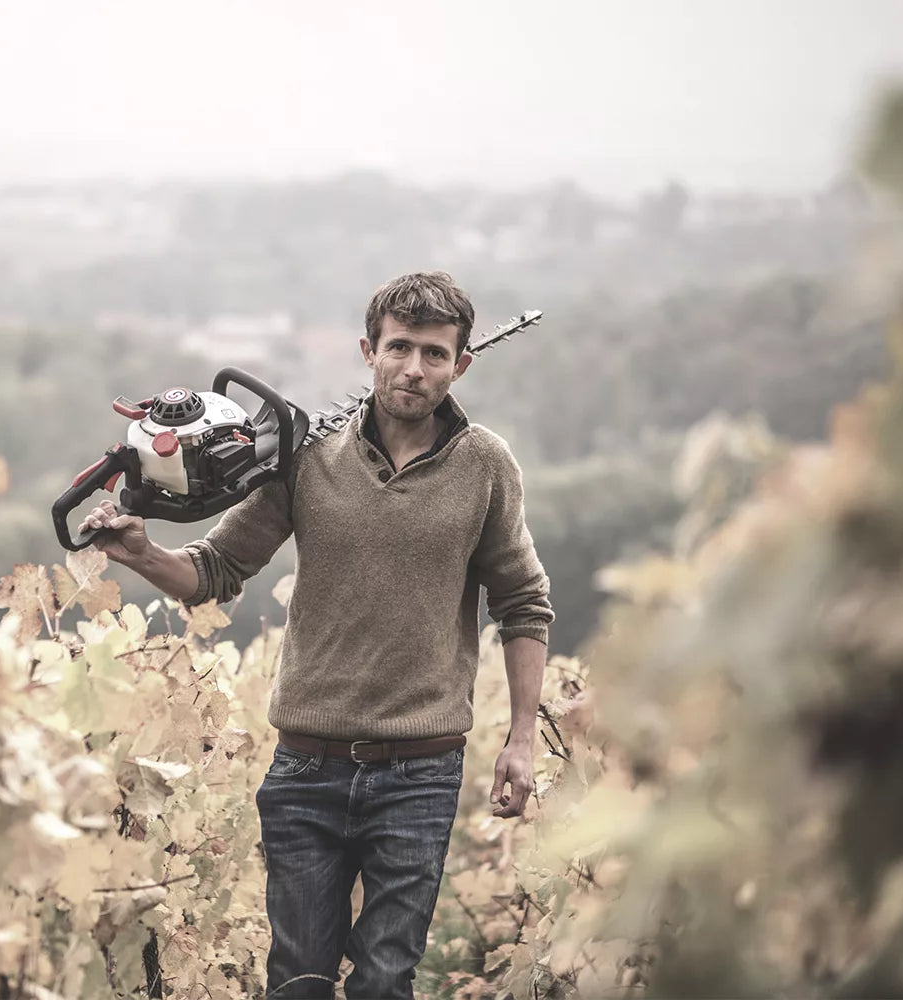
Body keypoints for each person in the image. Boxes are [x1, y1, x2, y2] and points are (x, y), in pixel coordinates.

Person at [79, 271, 554, 1000]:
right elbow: (217, 568)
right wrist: (142, 553)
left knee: (385, 983)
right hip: (306, 769)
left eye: (434, 353)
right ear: (369, 351)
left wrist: (521, 739)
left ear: (460, 364)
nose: (414, 368)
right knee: (297, 982)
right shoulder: (303, 456)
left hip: (421, 773)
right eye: (399, 348)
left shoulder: (486, 465)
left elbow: (523, 603)